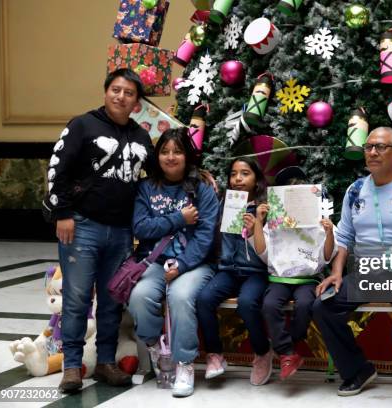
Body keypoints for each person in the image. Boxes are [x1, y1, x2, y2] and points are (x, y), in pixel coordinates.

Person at [44, 68, 155, 393]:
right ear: (106, 92)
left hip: (121, 232)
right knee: (76, 300)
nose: (121, 97)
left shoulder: (141, 136)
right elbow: (56, 169)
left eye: (129, 93)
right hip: (82, 227)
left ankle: (106, 362)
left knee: (111, 301)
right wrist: (62, 213)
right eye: (116, 90)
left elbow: (152, 176)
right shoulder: (82, 125)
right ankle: (72, 368)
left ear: (137, 102)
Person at [312, 127, 392, 408]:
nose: (372, 152)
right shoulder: (355, 190)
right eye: (368, 147)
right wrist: (336, 272)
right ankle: (358, 369)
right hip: (369, 273)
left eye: (380, 147)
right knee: (323, 305)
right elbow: (344, 237)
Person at [128, 127, 219, 398]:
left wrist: (182, 265)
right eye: (165, 152)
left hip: (195, 263)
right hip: (155, 261)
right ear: (157, 157)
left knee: (180, 297)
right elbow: (140, 228)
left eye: (177, 151)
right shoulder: (145, 188)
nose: (170, 157)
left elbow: (205, 237)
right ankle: (156, 346)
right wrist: (179, 219)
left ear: (187, 156)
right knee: (139, 297)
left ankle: (184, 364)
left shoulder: (202, 189)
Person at [251, 167, 337, 380]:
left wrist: (328, 233)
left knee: (306, 304)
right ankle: (287, 353)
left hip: (307, 278)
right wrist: (259, 222)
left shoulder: (319, 220)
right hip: (279, 277)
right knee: (270, 305)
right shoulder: (273, 223)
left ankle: (286, 346)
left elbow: (327, 256)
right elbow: (262, 252)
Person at [196, 157, 273, 386]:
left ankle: (262, 351)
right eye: (233, 174)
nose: (238, 179)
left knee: (247, 303)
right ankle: (215, 355)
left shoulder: (266, 207)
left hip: (257, 271)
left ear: (256, 179)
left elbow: (273, 250)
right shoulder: (224, 203)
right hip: (229, 269)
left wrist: (255, 228)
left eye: (245, 173)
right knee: (204, 299)